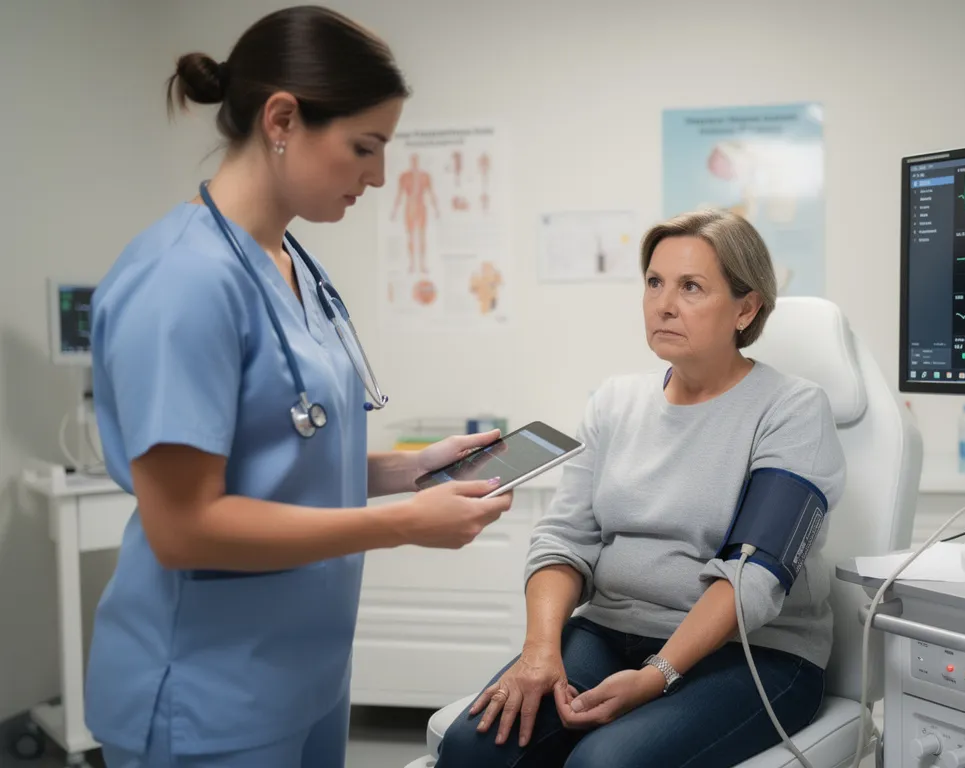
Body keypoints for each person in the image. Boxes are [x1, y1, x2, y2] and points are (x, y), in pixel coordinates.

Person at [85, 7, 513, 767]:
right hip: (207, 695)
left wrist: (407, 471)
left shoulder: (291, 262)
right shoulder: (181, 280)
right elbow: (184, 526)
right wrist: (403, 522)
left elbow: (289, 453)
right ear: (282, 117)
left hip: (304, 675)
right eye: (364, 147)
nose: (379, 176)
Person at [437, 209, 847, 767]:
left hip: (754, 655)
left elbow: (753, 576)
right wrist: (539, 652)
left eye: (691, 287)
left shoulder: (792, 409)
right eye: (655, 282)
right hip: (609, 631)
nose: (664, 304)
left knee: (602, 763)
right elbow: (564, 540)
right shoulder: (614, 402)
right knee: (473, 748)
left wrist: (657, 675)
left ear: (746, 308)